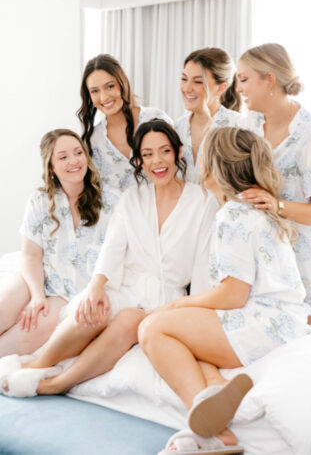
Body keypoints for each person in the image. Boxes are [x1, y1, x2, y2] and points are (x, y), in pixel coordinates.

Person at [0, 120, 218, 397]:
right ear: (138, 162)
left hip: (167, 297)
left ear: (178, 152)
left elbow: (201, 268)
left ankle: (56, 384)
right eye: (148, 154)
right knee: (92, 310)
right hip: (126, 285)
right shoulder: (132, 198)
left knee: (127, 322)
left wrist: (189, 310)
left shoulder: (203, 200)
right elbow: (113, 248)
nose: (158, 161)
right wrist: (96, 287)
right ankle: (36, 365)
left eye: (164, 151)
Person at [142, 126, 311, 454]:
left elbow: (234, 295)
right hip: (285, 321)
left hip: (266, 324)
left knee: (152, 328)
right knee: (187, 339)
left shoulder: (233, 214)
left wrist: (177, 307)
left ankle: (205, 427)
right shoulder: (257, 208)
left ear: (211, 166)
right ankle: (215, 392)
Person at [235, 43, 311, 323]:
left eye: (245, 79)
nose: (239, 88)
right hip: (275, 260)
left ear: (269, 80)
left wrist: (277, 205)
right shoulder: (251, 128)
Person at [0, 130, 110, 356]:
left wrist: (43, 303)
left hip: (69, 294)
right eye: (63, 157)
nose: (74, 161)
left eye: (78, 153)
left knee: (32, 326)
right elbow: (30, 256)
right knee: (3, 306)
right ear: (51, 166)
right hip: (36, 277)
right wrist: (37, 295)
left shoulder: (110, 201)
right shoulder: (39, 201)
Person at [78, 54, 173, 203]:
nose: (103, 97)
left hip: (166, 212)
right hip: (122, 222)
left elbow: (179, 167)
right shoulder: (93, 141)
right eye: (95, 91)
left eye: (110, 86)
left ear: (123, 83)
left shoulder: (155, 118)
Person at [174, 48, 254, 183]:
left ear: (221, 88)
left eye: (198, 81)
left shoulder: (238, 127)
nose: (187, 88)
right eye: (184, 79)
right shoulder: (176, 128)